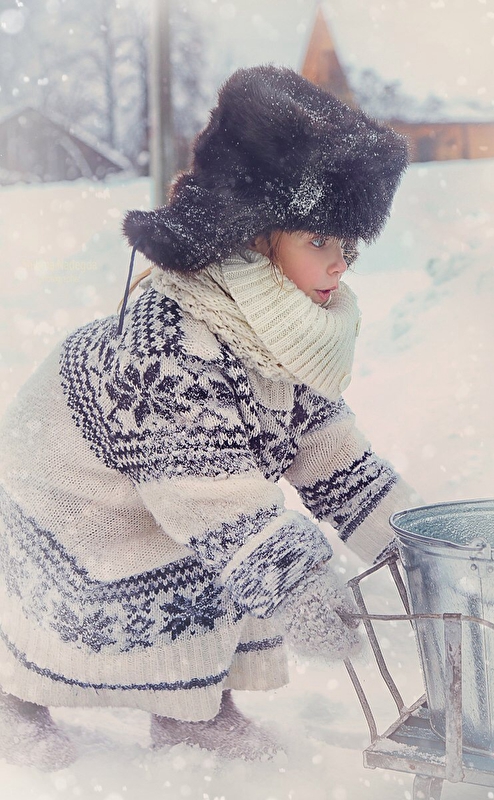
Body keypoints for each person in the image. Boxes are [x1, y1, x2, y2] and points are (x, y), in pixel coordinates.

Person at [0, 65, 416, 769]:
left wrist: (421, 544)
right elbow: (207, 495)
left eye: (348, 246)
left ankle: (194, 710)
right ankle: (14, 695)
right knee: (191, 557)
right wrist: (294, 581)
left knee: (220, 554)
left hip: (171, 486)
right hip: (72, 484)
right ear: (254, 236)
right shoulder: (172, 336)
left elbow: (334, 458)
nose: (340, 264)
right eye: (319, 241)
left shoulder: (281, 328)